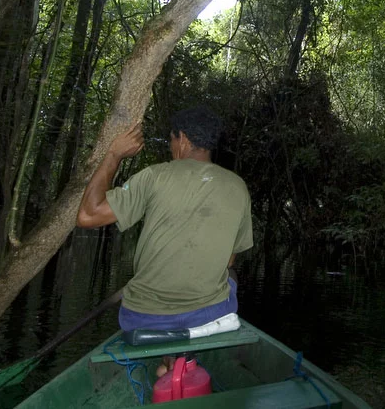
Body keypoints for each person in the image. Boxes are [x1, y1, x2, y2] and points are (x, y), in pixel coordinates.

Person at [75, 106, 252, 335]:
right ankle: (178, 359)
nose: (171, 147)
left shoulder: (154, 176)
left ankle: (169, 360)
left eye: (171, 139)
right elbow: (229, 260)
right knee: (231, 274)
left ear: (184, 139)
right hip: (209, 316)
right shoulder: (238, 186)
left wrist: (113, 155)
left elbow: (87, 216)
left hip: (143, 317)